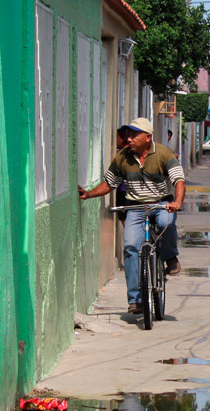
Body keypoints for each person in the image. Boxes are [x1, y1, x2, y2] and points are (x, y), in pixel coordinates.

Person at [78, 117, 186, 315]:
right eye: (128, 134)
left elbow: (179, 180)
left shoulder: (163, 153)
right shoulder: (123, 157)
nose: (129, 139)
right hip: (135, 207)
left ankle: (170, 257)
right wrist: (88, 194)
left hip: (162, 203)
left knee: (166, 224)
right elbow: (109, 183)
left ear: (147, 137)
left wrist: (176, 202)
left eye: (134, 135)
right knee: (130, 248)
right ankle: (135, 299)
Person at [114, 126, 131, 225]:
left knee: (126, 221)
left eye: (117, 136)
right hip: (127, 190)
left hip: (124, 191)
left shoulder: (120, 154)